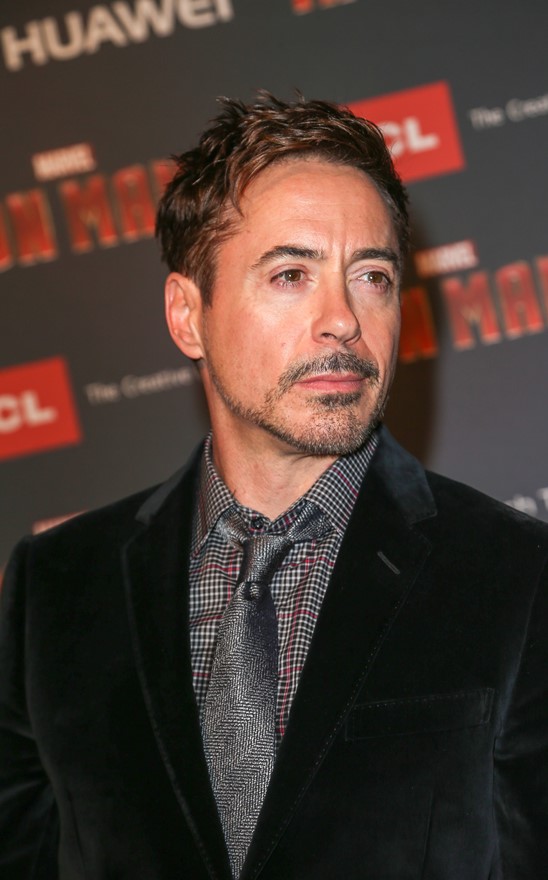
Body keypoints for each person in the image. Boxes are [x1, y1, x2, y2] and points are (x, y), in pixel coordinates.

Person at [1, 93, 547, 880]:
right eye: (291, 275)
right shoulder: (55, 589)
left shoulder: (515, 574)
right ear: (187, 315)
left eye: (372, 276)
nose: (344, 320)